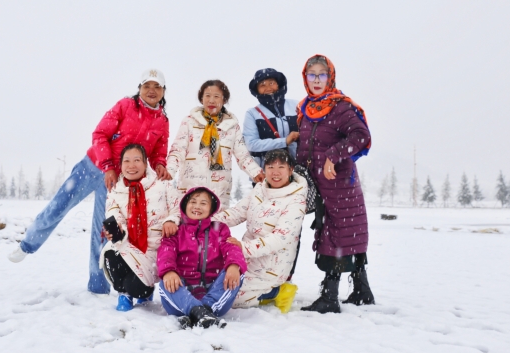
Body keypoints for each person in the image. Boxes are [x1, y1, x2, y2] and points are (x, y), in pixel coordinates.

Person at [7, 69, 172, 294]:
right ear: (139, 89)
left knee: (103, 232)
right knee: (58, 206)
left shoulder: (162, 121)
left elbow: (157, 152)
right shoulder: (125, 106)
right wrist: (107, 166)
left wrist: (160, 164)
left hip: (117, 181)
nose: (151, 91)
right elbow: (100, 134)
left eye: (157, 87)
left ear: (163, 91)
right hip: (93, 167)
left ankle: (97, 286)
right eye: (147, 86)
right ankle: (27, 245)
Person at [295, 54, 375, 314]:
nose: (316, 80)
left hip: (339, 184)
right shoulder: (306, 108)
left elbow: (361, 135)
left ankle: (330, 297)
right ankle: (362, 290)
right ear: (305, 78)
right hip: (320, 184)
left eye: (322, 74)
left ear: (330, 77)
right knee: (342, 232)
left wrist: (333, 155)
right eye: (311, 74)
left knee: (337, 233)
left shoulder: (340, 106)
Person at [213, 149, 307, 313]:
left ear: (291, 169)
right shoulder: (260, 189)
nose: (275, 172)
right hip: (246, 257)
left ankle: (276, 291)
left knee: (227, 295)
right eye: (270, 167)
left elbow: (279, 239)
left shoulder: (296, 200)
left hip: (271, 264)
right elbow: (237, 213)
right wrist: (205, 222)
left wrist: (242, 247)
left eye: (281, 167)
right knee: (211, 279)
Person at [99, 144, 180, 311]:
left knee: (136, 286)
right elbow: (113, 212)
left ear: (145, 164)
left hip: (155, 250)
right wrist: (118, 229)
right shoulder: (116, 190)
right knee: (110, 254)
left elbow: (177, 207)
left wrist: (171, 220)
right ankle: (124, 294)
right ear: (120, 165)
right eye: (126, 161)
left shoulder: (161, 184)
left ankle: (143, 291)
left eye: (137, 160)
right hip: (129, 245)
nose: (131, 166)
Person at [166, 79, 264, 210]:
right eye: (207, 96)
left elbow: (243, 156)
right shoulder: (189, 122)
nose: (211, 100)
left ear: (224, 100)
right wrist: (169, 171)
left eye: (216, 96)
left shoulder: (232, 127)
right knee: (189, 229)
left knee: (215, 229)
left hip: (219, 193)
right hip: (190, 190)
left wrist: (256, 172)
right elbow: (177, 150)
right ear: (201, 99)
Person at [157, 187, 247, 329]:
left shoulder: (219, 229)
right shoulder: (177, 230)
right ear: (185, 205)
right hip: (182, 296)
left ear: (211, 210)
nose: (197, 206)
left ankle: (198, 311)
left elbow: (231, 248)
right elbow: (165, 253)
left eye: (203, 203)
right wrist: (169, 272)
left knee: (237, 271)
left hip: (213, 293)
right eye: (193, 201)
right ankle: (200, 312)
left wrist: (233, 266)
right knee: (165, 281)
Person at [243, 68, 300, 175]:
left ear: (278, 84)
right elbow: (251, 144)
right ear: (257, 90)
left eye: (271, 83)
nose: (268, 87)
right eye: (262, 85)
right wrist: (284, 141)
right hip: (267, 174)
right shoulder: (252, 113)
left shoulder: (297, 106)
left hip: (298, 171)